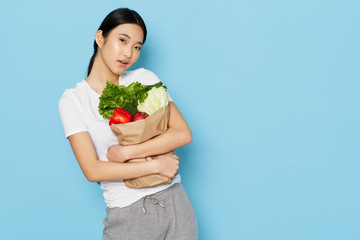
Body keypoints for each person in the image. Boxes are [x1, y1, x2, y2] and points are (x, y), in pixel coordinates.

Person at [58, 7, 198, 240]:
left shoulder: (144, 79)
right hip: (129, 213)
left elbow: (182, 134)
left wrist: (127, 152)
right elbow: (93, 170)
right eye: (122, 41)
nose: (128, 53)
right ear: (100, 37)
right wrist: (155, 166)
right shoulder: (74, 100)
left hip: (176, 203)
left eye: (137, 47)